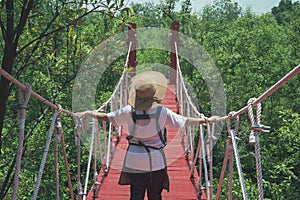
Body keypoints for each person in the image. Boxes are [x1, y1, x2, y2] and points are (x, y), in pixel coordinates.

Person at [77, 71, 217, 200]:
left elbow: (107, 117)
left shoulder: (128, 111)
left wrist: (90, 113)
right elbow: (185, 122)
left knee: (136, 194)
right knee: (155, 194)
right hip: (156, 160)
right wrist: (204, 120)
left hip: (134, 160)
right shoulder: (162, 112)